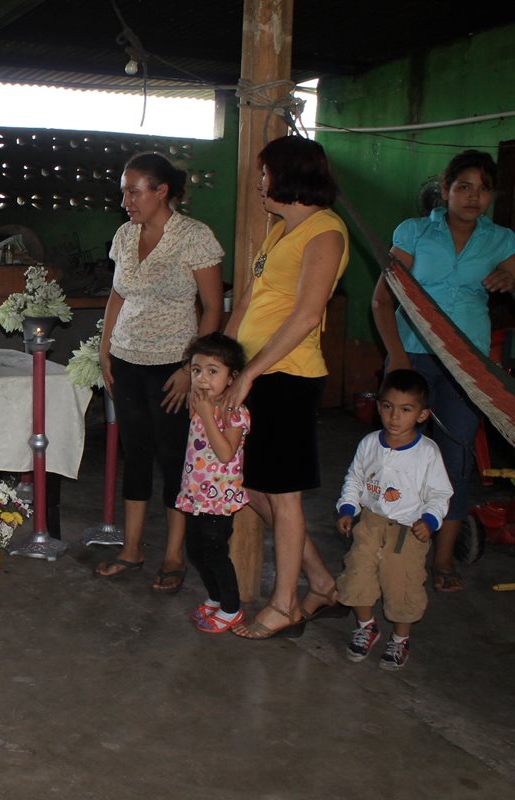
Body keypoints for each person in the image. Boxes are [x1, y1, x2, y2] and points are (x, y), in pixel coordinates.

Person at [372, 149, 515, 593]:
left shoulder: (503, 240)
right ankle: (379, 546)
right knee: (395, 456)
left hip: (466, 364)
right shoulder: (414, 233)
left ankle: (444, 557)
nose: (474, 197)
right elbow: (382, 300)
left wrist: (512, 273)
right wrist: (395, 356)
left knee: (455, 458)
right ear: (445, 189)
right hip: (411, 356)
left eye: (483, 188)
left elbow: (512, 271)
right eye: (463, 186)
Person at [224, 135, 350, 639]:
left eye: (264, 172)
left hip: (288, 377)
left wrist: (251, 372)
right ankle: (320, 581)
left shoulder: (326, 232)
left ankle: (285, 605)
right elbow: (246, 307)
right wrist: (222, 364)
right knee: (254, 488)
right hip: (256, 374)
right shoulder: (280, 231)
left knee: (285, 495)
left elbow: (305, 316)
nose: (259, 182)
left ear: (288, 174)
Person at [94, 152, 225, 592]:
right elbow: (117, 297)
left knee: (174, 459)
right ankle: (132, 548)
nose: (126, 200)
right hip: (126, 360)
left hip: (173, 366)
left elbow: (212, 308)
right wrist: (105, 349)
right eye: (124, 192)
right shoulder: (124, 236)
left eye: (134, 191)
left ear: (161, 190)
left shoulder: (194, 237)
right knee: (135, 453)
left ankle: (173, 553)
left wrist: (193, 368)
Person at [334, 369, 452, 670]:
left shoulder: (427, 453)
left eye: (405, 410)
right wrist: (348, 507)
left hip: (409, 530)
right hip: (371, 521)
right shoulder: (370, 443)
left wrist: (430, 520)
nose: (394, 417)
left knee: (402, 584)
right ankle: (366, 625)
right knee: (358, 572)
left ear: (423, 414)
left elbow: (440, 493)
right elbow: (355, 478)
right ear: (378, 406)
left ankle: (400, 640)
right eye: (387, 407)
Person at [176, 333, 250, 633]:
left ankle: (232, 608)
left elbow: (224, 452)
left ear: (232, 378)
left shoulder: (235, 413)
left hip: (220, 498)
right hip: (195, 494)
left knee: (215, 550)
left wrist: (207, 414)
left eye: (212, 371)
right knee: (195, 549)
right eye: (196, 370)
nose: (203, 379)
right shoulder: (199, 404)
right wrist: (202, 410)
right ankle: (216, 597)